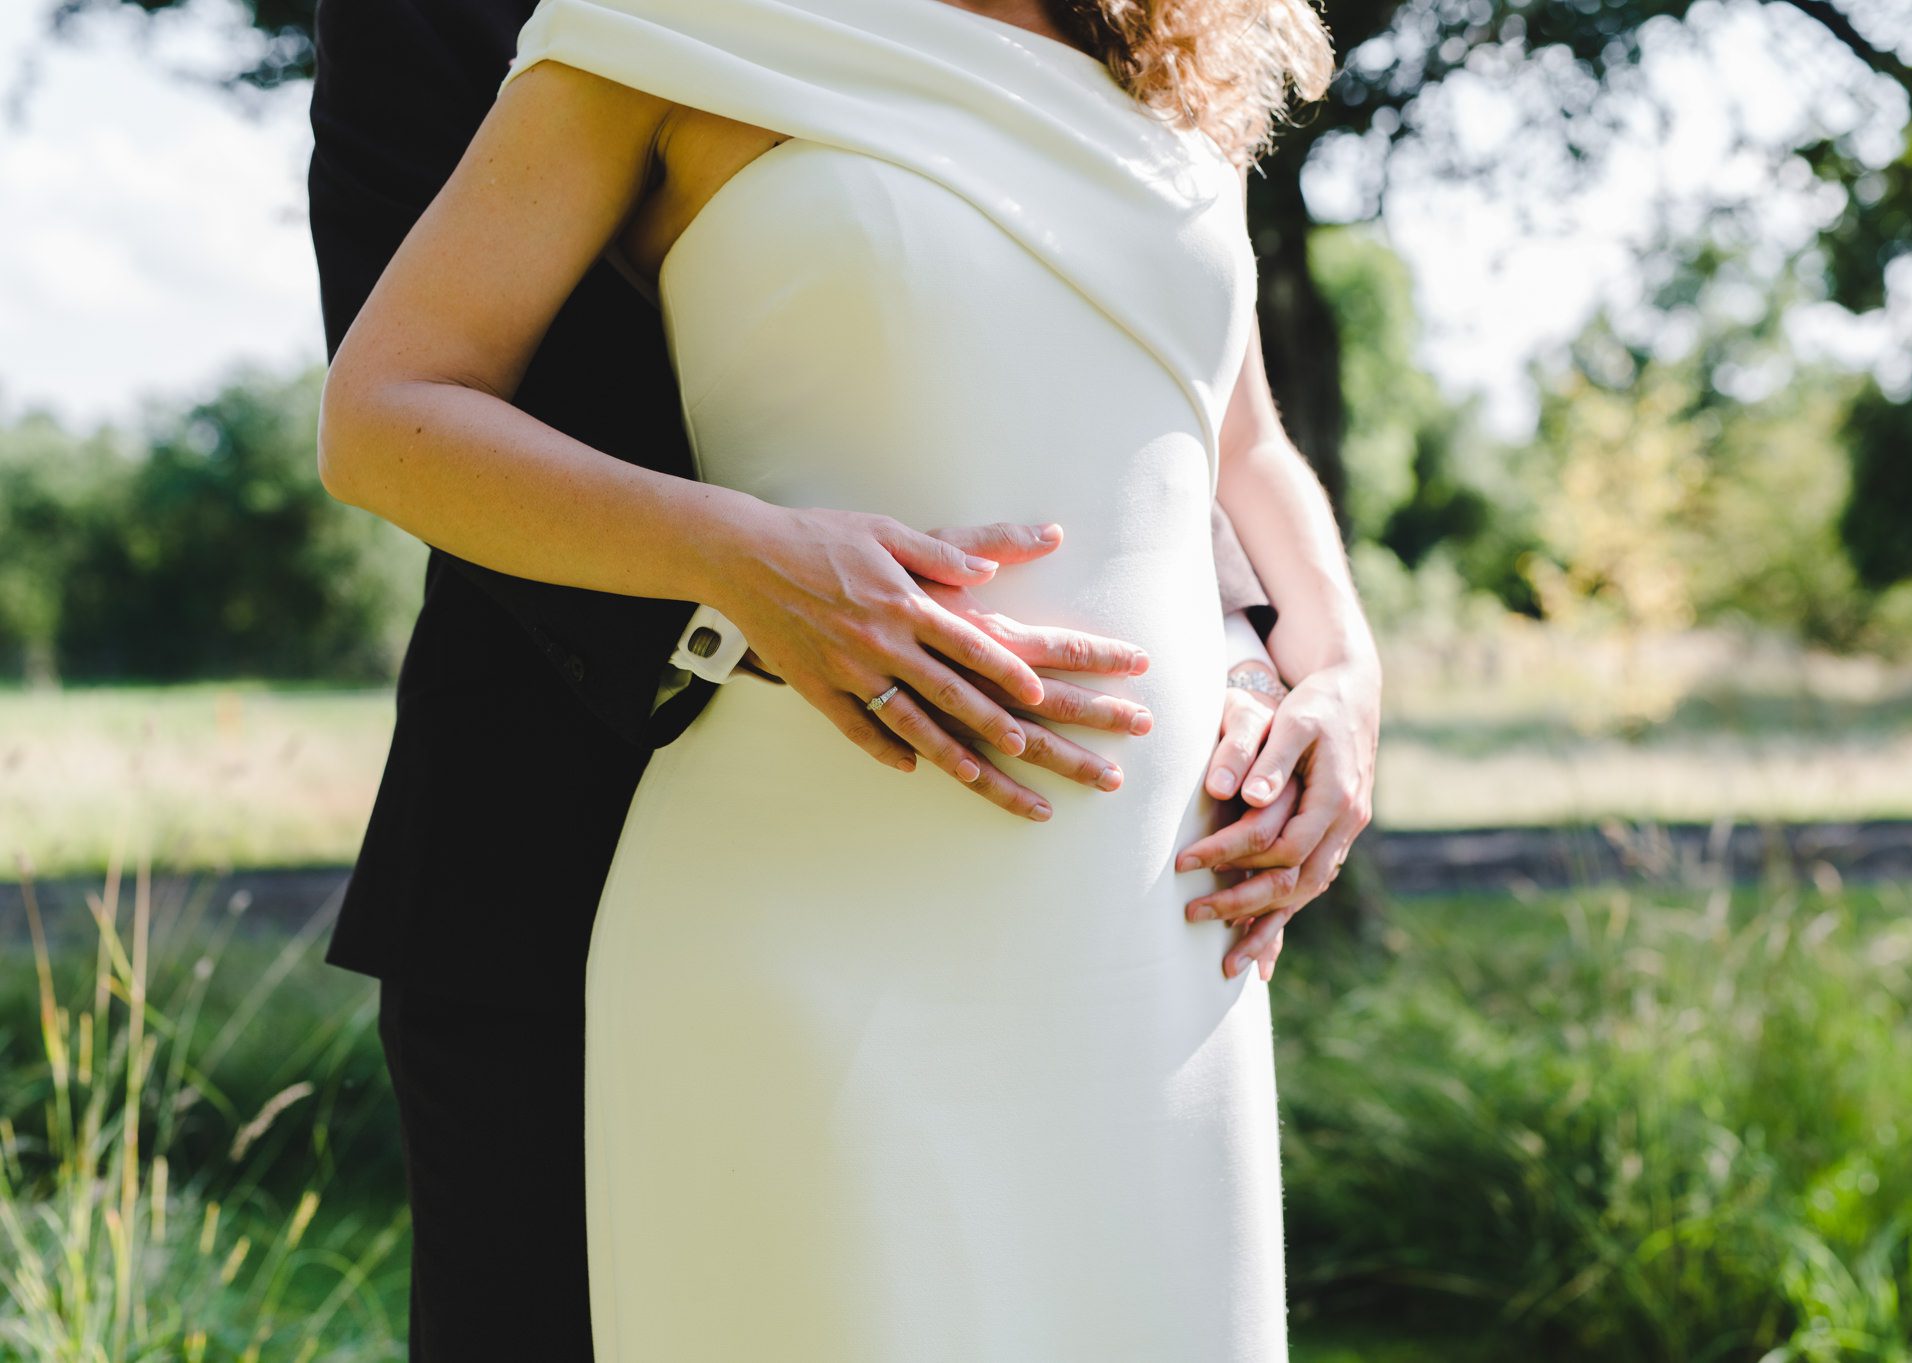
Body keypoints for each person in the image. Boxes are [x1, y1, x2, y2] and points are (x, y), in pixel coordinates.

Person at [310, 0, 1380, 1355]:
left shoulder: (1168, 55)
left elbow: (1239, 442)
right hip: (799, 875)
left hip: (1153, 926)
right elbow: (388, 413)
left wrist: (1336, 667)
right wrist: (740, 560)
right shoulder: (650, 28)